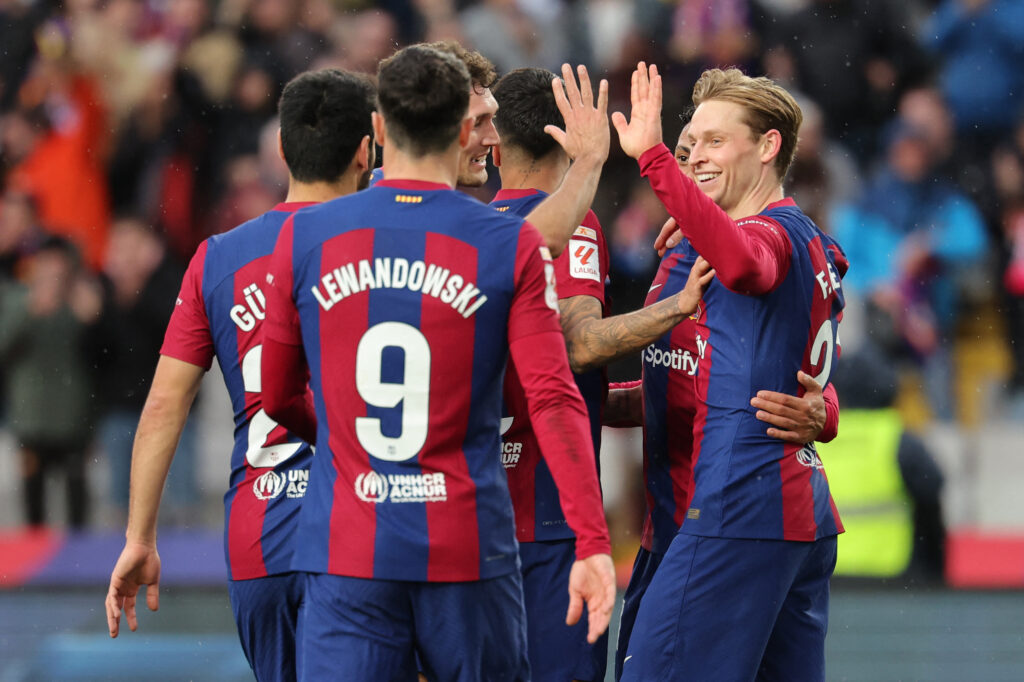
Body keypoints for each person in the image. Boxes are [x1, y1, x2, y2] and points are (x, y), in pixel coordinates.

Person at [260, 45, 616, 681]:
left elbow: (278, 395)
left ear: (377, 129)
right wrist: (592, 540)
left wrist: (349, 445)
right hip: (466, 547)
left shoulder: (306, 235)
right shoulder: (512, 243)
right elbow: (554, 396)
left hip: (349, 547)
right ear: (461, 129)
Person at [104, 68, 377, 682]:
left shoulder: (217, 258)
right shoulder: (388, 237)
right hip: (362, 520)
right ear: (368, 148)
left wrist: (139, 538)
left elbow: (163, 406)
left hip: (262, 531)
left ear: (279, 150)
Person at [613, 64, 848, 680]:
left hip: (735, 508)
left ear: (768, 147)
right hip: (712, 517)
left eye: (715, 142)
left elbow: (748, 267)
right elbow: (698, 375)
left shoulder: (768, 237)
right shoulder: (695, 245)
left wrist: (654, 161)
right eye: (689, 145)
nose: (695, 158)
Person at [490, 67, 713, 682]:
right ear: (568, 138)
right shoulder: (572, 223)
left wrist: (653, 397)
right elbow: (579, 347)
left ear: (493, 143)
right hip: (548, 513)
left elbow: (532, 374)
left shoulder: (466, 230)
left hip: (472, 510)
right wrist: (675, 306)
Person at [374, 40, 609, 258]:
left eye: (493, 120)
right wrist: (590, 157)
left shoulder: (459, 215)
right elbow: (540, 241)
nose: (495, 138)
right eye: (477, 122)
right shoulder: (361, 196)